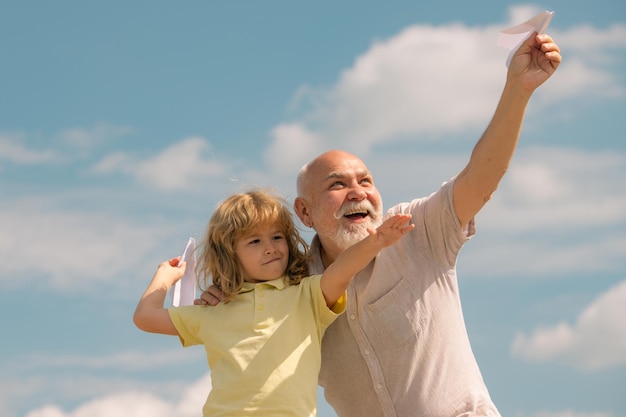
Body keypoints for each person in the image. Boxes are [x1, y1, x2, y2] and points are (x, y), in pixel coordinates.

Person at [199, 32, 562, 416]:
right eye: (337, 184)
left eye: (366, 181)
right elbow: (247, 313)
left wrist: (518, 89)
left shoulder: (416, 228)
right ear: (304, 213)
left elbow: (480, 179)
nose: (358, 192)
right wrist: (226, 296)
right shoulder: (294, 287)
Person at [133, 189, 413, 417]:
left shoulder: (306, 296)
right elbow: (146, 317)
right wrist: (164, 276)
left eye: (277, 237)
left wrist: (376, 242)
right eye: (254, 241)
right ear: (230, 255)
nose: (270, 247)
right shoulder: (213, 311)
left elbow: (342, 270)